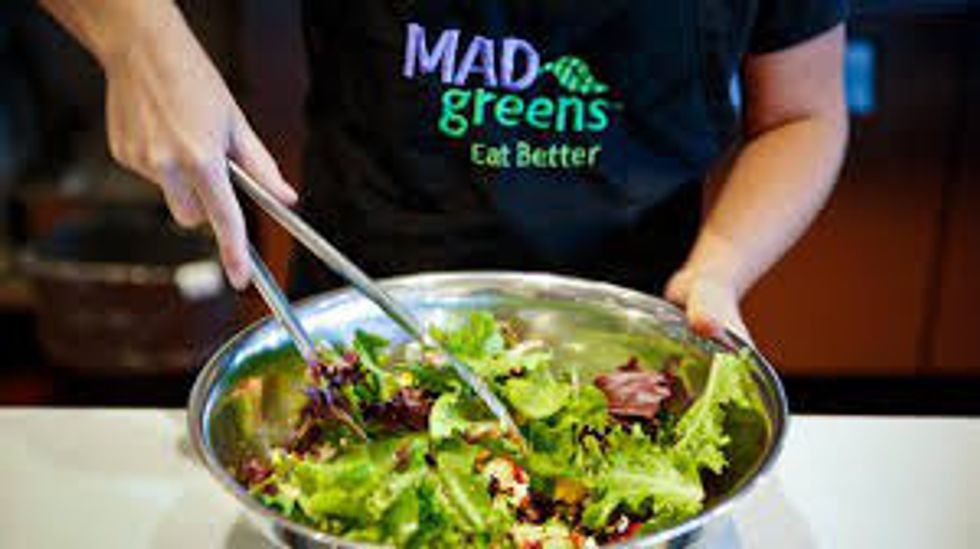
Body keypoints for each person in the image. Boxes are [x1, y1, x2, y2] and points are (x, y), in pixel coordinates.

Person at [39, 0, 848, 342]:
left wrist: (719, 270)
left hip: (627, 335)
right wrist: (139, 37)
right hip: (362, 323)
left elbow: (801, 116)